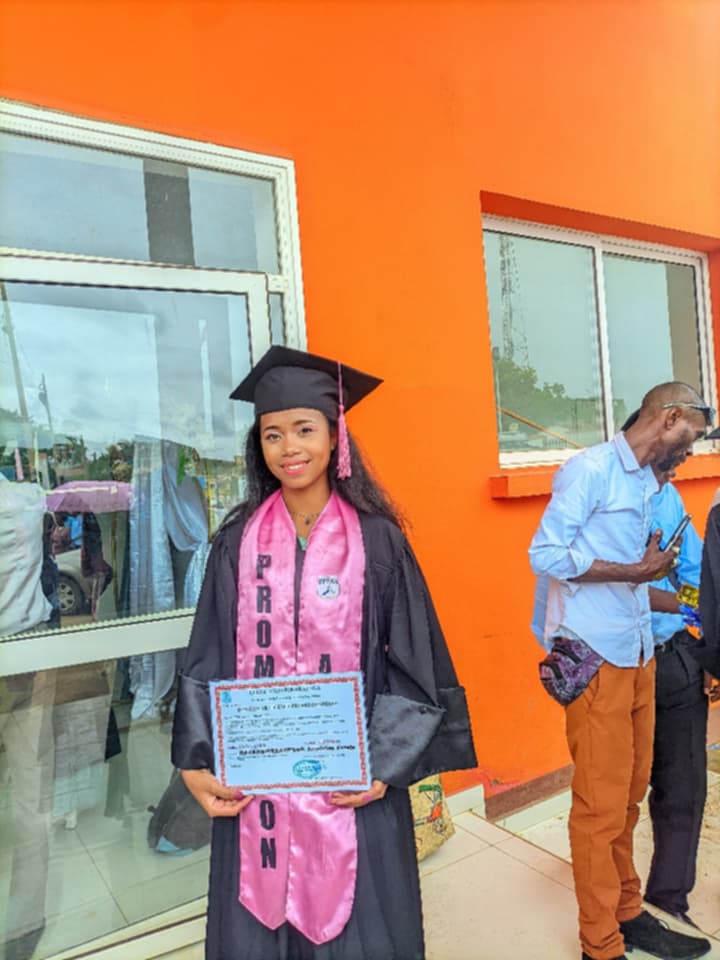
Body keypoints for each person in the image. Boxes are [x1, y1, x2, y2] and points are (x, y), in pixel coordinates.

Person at [171, 345, 477, 960]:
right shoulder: (236, 543)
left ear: (337, 438)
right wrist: (194, 761)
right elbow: (208, 653)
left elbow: (413, 658)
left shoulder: (378, 541)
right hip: (257, 785)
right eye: (272, 434)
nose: (289, 447)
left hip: (352, 783)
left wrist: (383, 766)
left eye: (305, 429)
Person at [529, 382, 713, 960]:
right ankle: (600, 943)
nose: (692, 451)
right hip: (597, 657)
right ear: (670, 417)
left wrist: (692, 608)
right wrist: (635, 571)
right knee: (598, 808)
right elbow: (546, 554)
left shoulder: (646, 485)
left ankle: (628, 913)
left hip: (638, 655)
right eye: (691, 437)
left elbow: (641, 581)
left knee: (628, 799)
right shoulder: (589, 471)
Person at [618, 412, 716, 928]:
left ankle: (669, 900)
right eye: (679, 448)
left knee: (684, 787)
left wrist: (706, 643)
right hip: (617, 664)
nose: (684, 460)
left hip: (675, 657)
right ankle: (618, 906)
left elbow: (697, 576)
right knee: (616, 793)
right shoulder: (596, 496)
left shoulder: (670, 498)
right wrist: (674, 600)